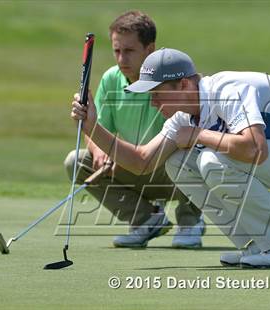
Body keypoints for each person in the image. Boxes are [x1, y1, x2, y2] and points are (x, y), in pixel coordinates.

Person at [71, 48, 270, 268]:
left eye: (157, 94)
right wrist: (93, 126)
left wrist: (196, 136)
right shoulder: (184, 116)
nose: (153, 103)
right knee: (177, 162)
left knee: (211, 160)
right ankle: (256, 243)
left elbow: (255, 149)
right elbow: (142, 162)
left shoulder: (227, 90)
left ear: (183, 85)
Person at [65, 13, 204, 249]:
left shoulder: (169, 79)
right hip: (133, 165)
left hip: (173, 171)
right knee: (77, 161)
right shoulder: (111, 78)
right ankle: (147, 219)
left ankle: (190, 221)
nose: (121, 59)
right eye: (117, 51)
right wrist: (100, 152)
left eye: (129, 51)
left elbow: (193, 132)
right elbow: (96, 129)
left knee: (192, 155)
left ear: (149, 49)